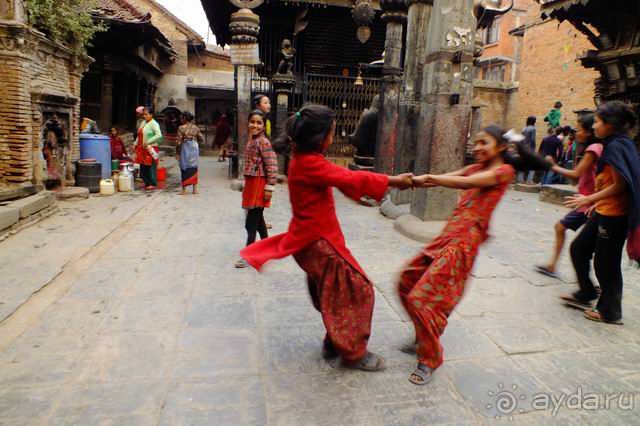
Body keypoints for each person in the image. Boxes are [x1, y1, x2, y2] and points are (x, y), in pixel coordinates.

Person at [239, 104, 413, 371]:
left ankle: (335, 340)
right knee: (359, 290)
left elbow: (341, 181)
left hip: (312, 240)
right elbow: (348, 176)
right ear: (322, 138)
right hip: (318, 242)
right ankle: (353, 353)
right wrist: (393, 181)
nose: (335, 137)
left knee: (336, 293)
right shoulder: (309, 163)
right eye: (333, 132)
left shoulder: (303, 159)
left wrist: (366, 189)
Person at [399, 126, 551, 385]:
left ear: (501, 147)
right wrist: (421, 179)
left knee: (420, 299)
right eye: (475, 142)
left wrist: (428, 178)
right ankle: (426, 332)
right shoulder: (476, 168)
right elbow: (454, 175)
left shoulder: (504, 172)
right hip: (448, 234)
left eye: (484, 142)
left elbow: (465, 183)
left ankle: (430, 357)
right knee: (406, 281)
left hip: (463, 243)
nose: (477, 147)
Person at [561, 101, 640, 325]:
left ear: (610, 124)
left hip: (616, 215)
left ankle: (610, 311)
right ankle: (586, 293)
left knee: (607, 263)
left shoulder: (616, 146)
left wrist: (589, 199)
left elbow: (621, 185)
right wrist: (598, 202)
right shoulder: (617, 143)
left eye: (597, 121)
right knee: (579, 249)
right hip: (605, 209)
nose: (594, 125)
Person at [535, 115, 603, 279]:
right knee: (590, 245)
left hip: (589, 202)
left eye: (579, 129)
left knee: (579, 243)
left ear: (588, 132)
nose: (576, 132)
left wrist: (553, 166)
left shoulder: (593, 148)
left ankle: (587, 283)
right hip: (588, 200)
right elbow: (576, 179)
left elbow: (576, 173)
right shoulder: (589, 148)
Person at [235, 110, 278, 269]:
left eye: (259, 122)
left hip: (260, 184)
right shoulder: (251, 140)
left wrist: (269, 188)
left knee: (251, 223)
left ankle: (249, 255)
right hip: (252, 183)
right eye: (252, 121)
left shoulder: (263, 142)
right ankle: (269, 247)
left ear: (264, 125)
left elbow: (272, 164)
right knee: (258, 219)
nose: (255, 125)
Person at [135, 107, 162, 190]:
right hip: (141, 148)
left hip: (151, 148)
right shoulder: (143, 122)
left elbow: (159, 135)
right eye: (144, 114)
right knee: (143, 165)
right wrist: (135, 143)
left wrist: (148, 141)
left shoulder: (154, 123)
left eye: (146, 114)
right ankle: (146, 182)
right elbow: (139, 134)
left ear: (151, 115)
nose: (145, 116)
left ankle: (152, 183)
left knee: (151, 165)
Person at [176, 111, 203, 195]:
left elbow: (178, 142)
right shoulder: (195, 127)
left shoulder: (181, 128)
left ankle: (184, 190)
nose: (180, 119)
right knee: (194, 166)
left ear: (184, 118)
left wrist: (177, 152)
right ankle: (195, 189)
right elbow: (201, 138)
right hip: (194, 147)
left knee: (184, 166)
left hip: (185, 148)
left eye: (181, 117)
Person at [518, 116, 537, 183]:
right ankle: (529, 180)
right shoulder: (533, 129)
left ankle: (520, 179)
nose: (535, 121)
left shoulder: (524, 128)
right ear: (533, 121)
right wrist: (534, 148)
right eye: (535, 120)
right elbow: (532, 139)